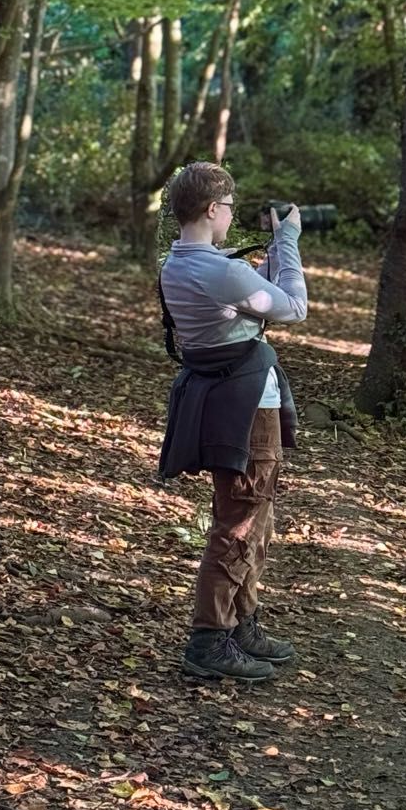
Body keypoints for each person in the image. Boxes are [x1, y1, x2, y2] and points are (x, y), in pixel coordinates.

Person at [157, 161, 308, 682]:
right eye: (228, 208)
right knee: (240, 519)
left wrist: (256, 269)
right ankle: (209, 638)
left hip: (225, 397)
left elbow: (238, 303)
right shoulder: (218, 269)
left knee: (254, 514)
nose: (230, 217)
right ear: (210, 209)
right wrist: (288, 242)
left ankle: (242, 621)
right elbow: (295, 307)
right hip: (245, 406)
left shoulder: (177, 263)